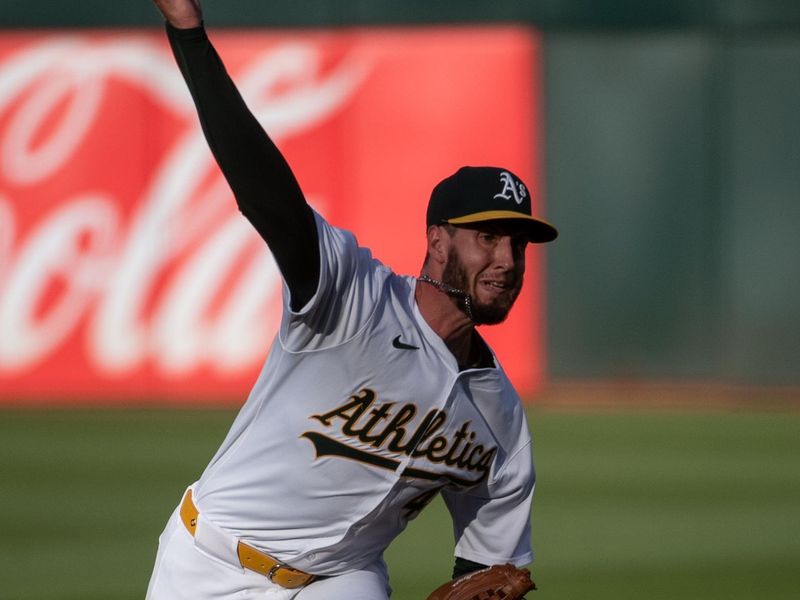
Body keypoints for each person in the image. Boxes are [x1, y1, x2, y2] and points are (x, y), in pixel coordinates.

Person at [145, 1, 558, 599]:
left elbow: (490, 570)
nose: (507, 260)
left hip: (343, 580)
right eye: (487, 238)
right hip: (212, 561)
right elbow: (267, 193)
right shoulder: (351, 296)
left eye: (518, 245)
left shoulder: (500, 418)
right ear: (437, 241)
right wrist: (188, 35)